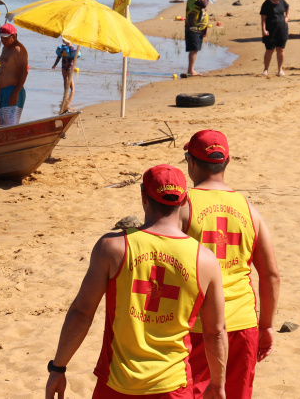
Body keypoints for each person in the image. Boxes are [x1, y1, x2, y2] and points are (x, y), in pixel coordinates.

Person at [44, 164, 228, 399]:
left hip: (116, 383)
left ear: (143, 196)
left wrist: (58, 368)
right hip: (172, 386)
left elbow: (82, 312)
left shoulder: (113, 248)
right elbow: (216, 332)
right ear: (184, 202)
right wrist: (217, 384)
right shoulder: (205, 260)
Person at [182, 130, 281, 399]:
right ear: (227, 162)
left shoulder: (183, 206)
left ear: (190, 161)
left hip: (197, 325)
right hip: (243, 323)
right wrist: (267, 325)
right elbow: (271, 274)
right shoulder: (250, 209)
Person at [0, 23, 28, 125]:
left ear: (13, 36)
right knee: (2, 124)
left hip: (13, 91)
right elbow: (4, 70)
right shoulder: (5, 48)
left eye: (5, 38)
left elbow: (24, 71)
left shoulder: (18, 49)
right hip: (3, 91)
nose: (2, 41)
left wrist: (16, 92)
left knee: (10, 124)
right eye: (1, 38)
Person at [259, 0, 290, 77]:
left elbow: (288, 7)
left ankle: (280, 70)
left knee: (281, 49)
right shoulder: (267, 3)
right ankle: (265, 69)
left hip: (282, 28)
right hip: (270, 29)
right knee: (269, 50)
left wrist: (287, 17)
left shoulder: (282, 1)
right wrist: (263, 30)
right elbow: (263, 18)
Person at [185, 0, 212, 76]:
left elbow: (203, 14)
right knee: (193, 49)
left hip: (199, 28)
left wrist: (205, 29)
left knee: (195, 49)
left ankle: (191, 70)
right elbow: (204, 4)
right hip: (193, 28)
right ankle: (190, 70)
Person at [51, 39, 80, 114]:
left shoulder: (72, 49)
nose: (66, 42)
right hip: (63, 65)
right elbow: (59, 57)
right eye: (65, 40)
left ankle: (72, 91)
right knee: (65, 79)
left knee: (70, 79)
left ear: (72, 42)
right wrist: (55, 65)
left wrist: (74, 64)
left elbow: (75, 57)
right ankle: (65, 91)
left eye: (68, 41)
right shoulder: (63, 48)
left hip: (70, 66)